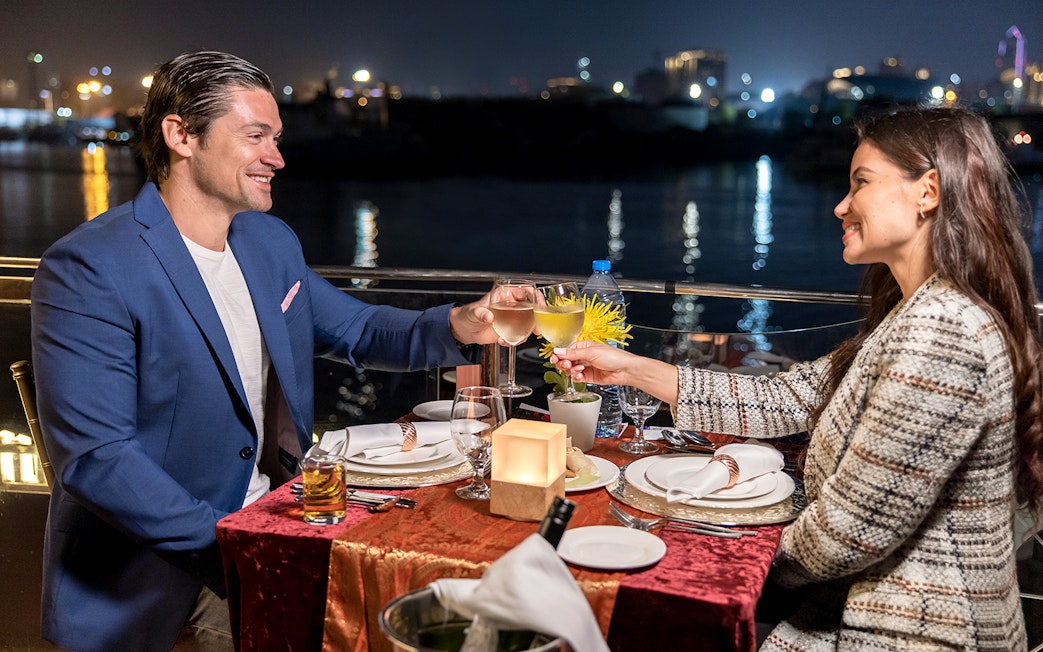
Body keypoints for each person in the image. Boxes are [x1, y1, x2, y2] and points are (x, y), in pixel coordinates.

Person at [30, 50, 499, 652]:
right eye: (255, 136)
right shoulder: (90, 266)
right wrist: (243, 546)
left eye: (276, 138)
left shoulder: (268, 240)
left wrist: (462, 323)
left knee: (429, 595)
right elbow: (99, 460)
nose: (276, 157)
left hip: (280, 517)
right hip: (159, 572)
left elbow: (358, 329)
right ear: (181, 135)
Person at [556, 106, 1043, 650]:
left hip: (910, 631)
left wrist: (732, 549)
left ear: (927, 191)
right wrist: (629, 367)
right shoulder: (918, 313)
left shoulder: (941, 330)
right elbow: (786, 398)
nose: (841, 205)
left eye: (861, 183)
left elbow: (847, 534)